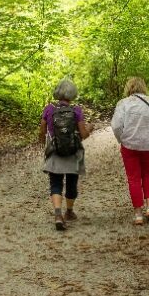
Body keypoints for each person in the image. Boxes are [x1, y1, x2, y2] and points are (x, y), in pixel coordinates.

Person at [111, 77, 149, 225]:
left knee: (134, 178)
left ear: (129, 88)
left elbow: (116, 125)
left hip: (130, 145)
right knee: (148, 174)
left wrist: (122, 139)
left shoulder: (123, 104)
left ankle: (138, 214)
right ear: (143, 87)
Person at [39, 79, 93, 230]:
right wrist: (89, 127)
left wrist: (43, 142)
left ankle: (57, 214)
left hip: (54, 150)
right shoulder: (76, 110)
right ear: (73, 94)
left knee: (55, 183)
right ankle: (69, 211)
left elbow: (42, 129)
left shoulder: (49, 108)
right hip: (73, 151)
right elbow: (83, 134)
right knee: (71, 183)